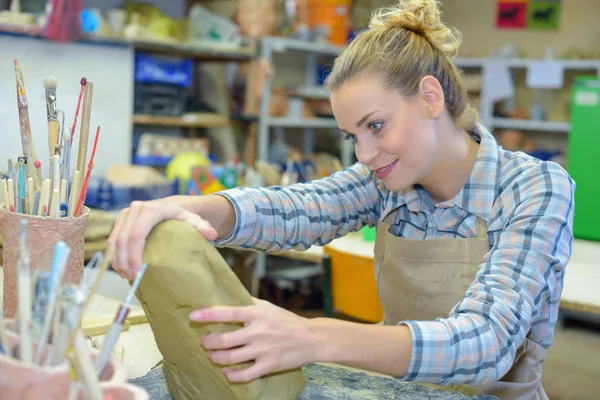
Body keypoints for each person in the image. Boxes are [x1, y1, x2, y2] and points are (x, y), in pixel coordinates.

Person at [107, 0, 574, 398]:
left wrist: (310, 336)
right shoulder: (386, 181)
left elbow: (486, 343)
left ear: (431, 98)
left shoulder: (535, 188)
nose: (366, 154)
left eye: (375, 125)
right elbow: (297, 208)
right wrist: (186, 207)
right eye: (352, 135)